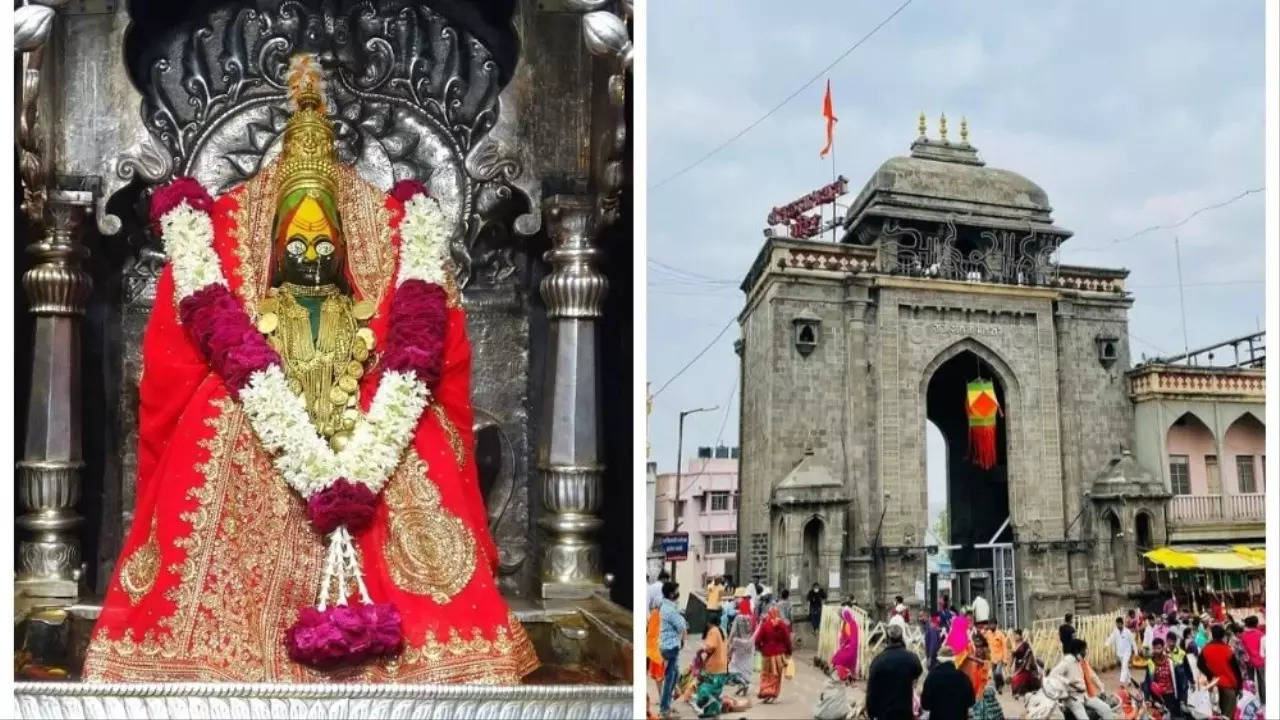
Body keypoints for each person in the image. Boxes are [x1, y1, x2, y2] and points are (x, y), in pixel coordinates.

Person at [83, 53, 540, 684]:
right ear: (271, 252)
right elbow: (176, 379)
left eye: (325, 247)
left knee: (413, 446)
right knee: (220, 419)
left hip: (365, 433)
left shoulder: (371, 300)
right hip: (259, 438)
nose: (311, 257)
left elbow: (425, 356)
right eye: (295, 247)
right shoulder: (245, 299)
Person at [865, 624, 923, 720]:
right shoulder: (911, 658)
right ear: (902, 638)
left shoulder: (878, 661)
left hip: (884, 713)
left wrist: (871, 712)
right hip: (904, 712)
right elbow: (918, 671)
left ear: (888, 640)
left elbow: (871, 689)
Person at [1050, 639, 1113, 720]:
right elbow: (1053, 674)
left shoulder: (1079, 661)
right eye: (1084, 650)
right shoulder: (1067, 661)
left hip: (1084, 696)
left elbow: (1092, 675)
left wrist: (1101, 688)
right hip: (1073, 699)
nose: (1085, 652)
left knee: (1106, 709)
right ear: (1077, 650)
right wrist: (1068, 683)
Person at [1198, 623, 1243, 717]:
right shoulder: (1228, 650)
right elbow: (1236, 671)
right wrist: (1240, 688)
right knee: (1228, 715)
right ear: (1223, 636)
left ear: (1212, 635)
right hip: (1229, 687)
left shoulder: (1205, 649)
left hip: (1213, 687)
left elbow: (1200, 664)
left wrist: (1211, 675)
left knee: (1217, 715)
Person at [657, 581, 687, 719]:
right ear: (671, 593)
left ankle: (666, 706)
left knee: (673, 677)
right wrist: (681, 617)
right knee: (670, 679)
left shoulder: (665, 606)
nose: (678, 593)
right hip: (671, 647)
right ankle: (664, 710)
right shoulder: (670, 609)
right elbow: (682, 626)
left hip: (666, 646)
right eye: (676, 591)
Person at [920, 645, 974, 720]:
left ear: (939, 659)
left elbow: (925, 704)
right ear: (953, 659)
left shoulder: (931, 677)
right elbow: (971, 701)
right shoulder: (963, 677)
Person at [693, 608, 729, 718]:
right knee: (715, 690)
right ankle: (711, 711)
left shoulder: (713, 631)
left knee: (704, 688)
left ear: (709, 623)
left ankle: (714, 707)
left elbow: (710, 646)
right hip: (722, 666)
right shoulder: (722, 630)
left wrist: (700, 649)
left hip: (714, 667)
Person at [754, 606, 792, 703]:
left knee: (766, 675)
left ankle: (766, 692)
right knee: (777, 676)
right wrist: (789, 651)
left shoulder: (765, 625)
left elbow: (758, 639)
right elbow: (787, 639)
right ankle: (774, 693)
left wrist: (760, 648)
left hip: (767, 654)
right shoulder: (782, 625)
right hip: (779, 655)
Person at [1144, 638, 1179, 719]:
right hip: (1157, 697)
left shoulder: (1170, 661)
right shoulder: (1150, 663)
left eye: (1159, 648)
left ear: (1163, 648)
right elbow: (1147, 681)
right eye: (1155, 648)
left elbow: (1178, 679)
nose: (1157, 651)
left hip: (1170, 695)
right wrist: (1147, 698)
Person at [956, 632, 991, 701]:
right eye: (976, 646)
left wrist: (968, 656)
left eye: (980, 647)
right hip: (974, 690)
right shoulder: (972, 662)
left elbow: (984, 663)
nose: (978, 650)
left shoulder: (986, 659)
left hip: (984, 689)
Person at [725, 614, 755, 697]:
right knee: (745, 673)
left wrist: (727, 655)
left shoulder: (736, 640)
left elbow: (730, 650)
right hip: (748, 660)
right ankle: (743, 689)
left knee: (734, 671)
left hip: (738, 659)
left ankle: (742, 684)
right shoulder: (751, 639)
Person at [831, 604, 860, 680]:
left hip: (849, 648)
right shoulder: (851, 623)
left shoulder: (849, 624)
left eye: (841, 616)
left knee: (836, 659)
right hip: (851, 648)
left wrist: (844, 643)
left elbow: (848, 637)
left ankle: (842, 674)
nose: (841, 617)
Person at [1240, 615, 1265, 702]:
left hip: (1249, 661)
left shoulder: (1243, 636)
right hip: (1260, 661)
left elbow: (1242, 649)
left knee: (1250, 681)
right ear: (1256, 624)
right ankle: (1263, 700)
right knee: (1262, 681)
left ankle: (1251, 699)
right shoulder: (1261, 635)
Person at [1009, 628, 1041, 696]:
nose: (1015, 636)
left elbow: (1030, 653)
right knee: (1014, 679)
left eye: (1016, 635)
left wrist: (1028, 664)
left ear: (1020, 636)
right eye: (1014, 635)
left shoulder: (1025, 644)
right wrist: (1010, 664)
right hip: (1018, 666)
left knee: (1021, 679)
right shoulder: (1014, 645)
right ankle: (1017, 692)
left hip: (1025, 666)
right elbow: (1012, 656)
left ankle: (1024, 691)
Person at [1107, 616, 1137, 687]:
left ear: (1122, 624)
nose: (1118, 626)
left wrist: (1136, 652)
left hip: (1127, 652)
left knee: (1124, 666)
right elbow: (1111, 638)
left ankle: (1122, 682)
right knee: (1125, 666)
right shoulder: (1115, 631)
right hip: (1119, 653)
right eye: (1117, 624)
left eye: (1120, 624)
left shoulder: (1127, 632)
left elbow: (1133, 642)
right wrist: (1106, 644)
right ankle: (1130, 680)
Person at [982, 622, 1008, 693]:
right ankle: (999, 686)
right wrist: (984, 630)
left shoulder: (1000, 634)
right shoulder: (988, 633)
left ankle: (1000, 685)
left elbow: (1005, 647)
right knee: (994, 675)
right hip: (992, 658)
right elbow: (982, 637)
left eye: (993, 624)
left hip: (1000, 657)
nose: (991, 626)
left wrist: (1005, 659)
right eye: (990, 624)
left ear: (996, 625)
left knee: (998, 673)